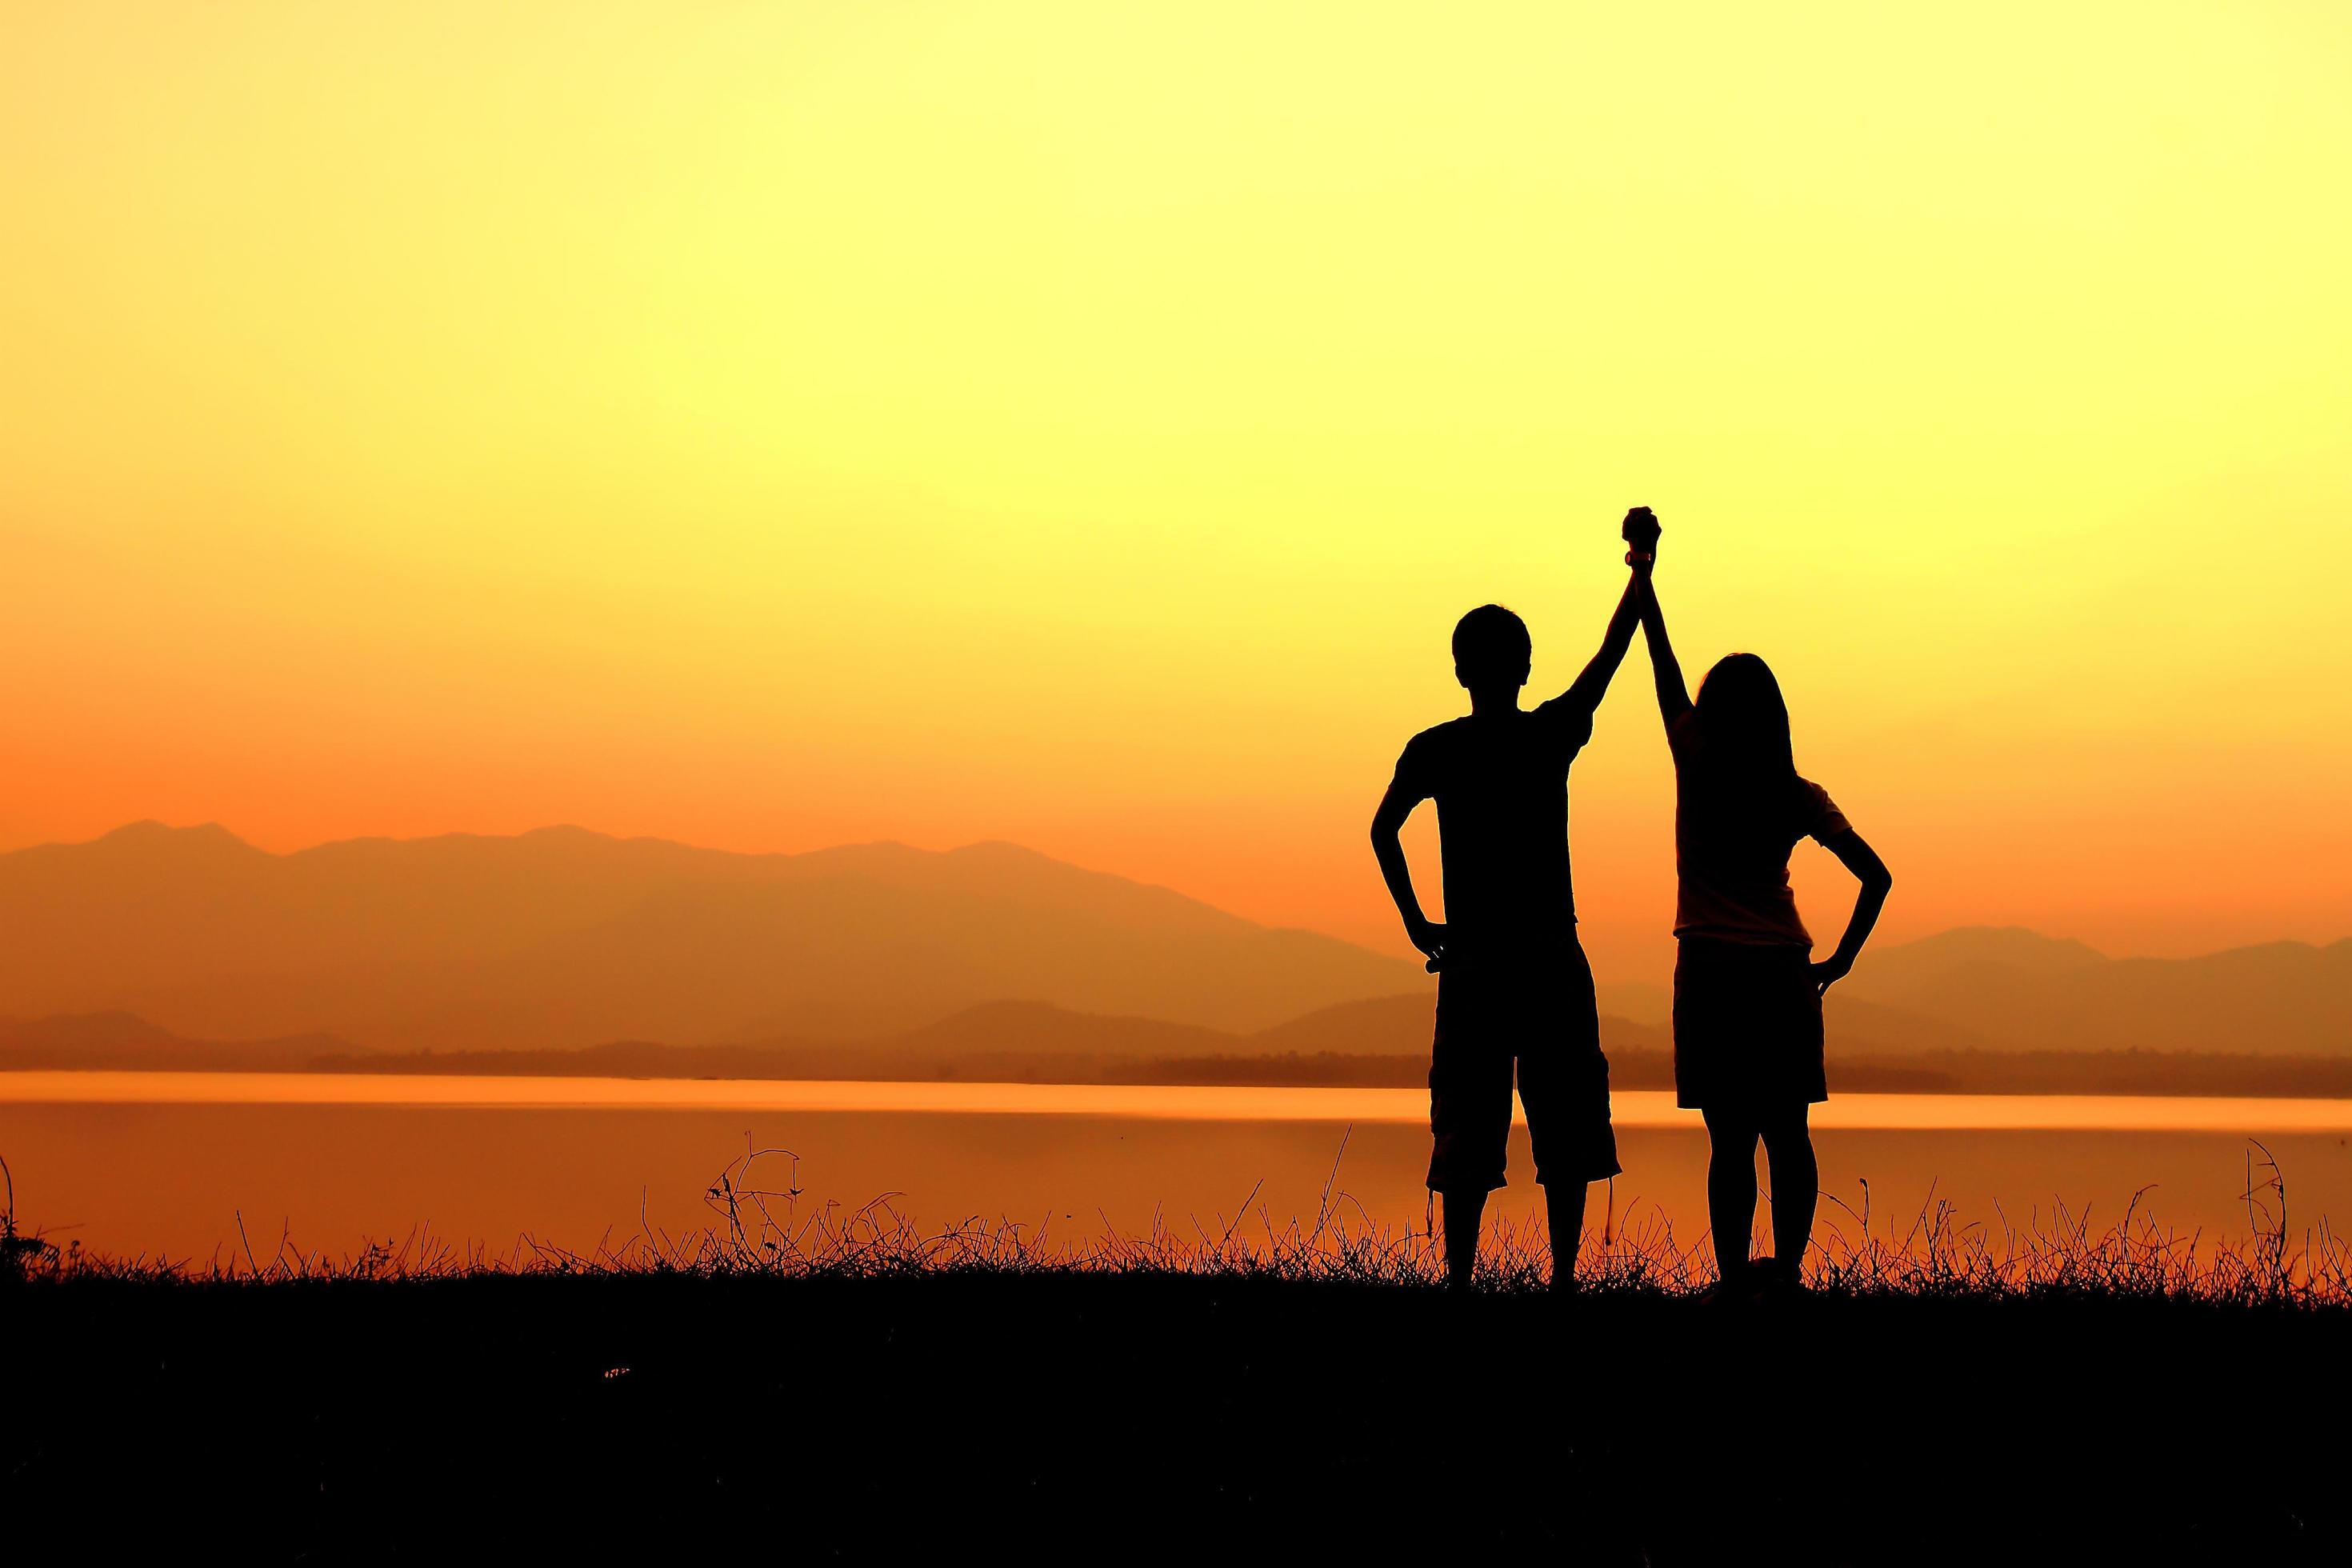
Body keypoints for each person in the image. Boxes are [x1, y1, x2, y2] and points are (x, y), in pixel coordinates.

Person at [1369, 541, 1650, 1290]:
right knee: (1565, 1124)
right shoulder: (1544, 736)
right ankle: (1560, 1277)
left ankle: (1462, 1280)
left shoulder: (1438, 749)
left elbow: (1381, 829)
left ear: (1462, 670)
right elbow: (1609, 657)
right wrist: (1640, 576)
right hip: (1547, 958)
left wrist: (1416, 921)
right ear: (1523, 668)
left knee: (1468, 1120)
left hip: (1475, 963)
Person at [1630, 510, 1893, 1296]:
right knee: (1788, 1134)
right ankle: (1786, 1277)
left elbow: (1661, 660)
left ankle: (1735, 1278)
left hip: (1710, 967)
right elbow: (1876, 876)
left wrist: (1643, 565)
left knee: (1730, 1140)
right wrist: (1838, 959)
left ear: (1713, 709)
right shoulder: (1796, 793)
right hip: (1783, 972)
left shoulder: (1696, 757)